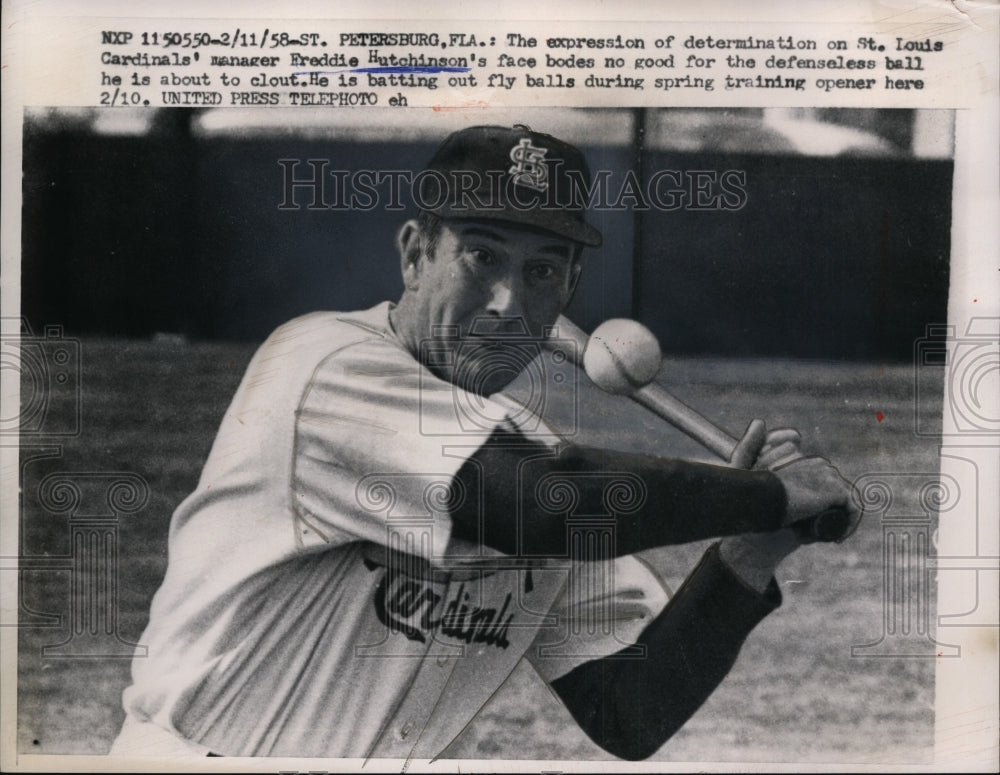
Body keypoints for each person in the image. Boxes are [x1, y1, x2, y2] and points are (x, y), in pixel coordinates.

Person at [111, 125, 860, 761]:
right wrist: (769, 493)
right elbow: (536, 502)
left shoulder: (526, 455)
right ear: (413, 254)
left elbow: (628, 704)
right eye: (482, 255)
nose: (508, 301)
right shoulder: (323, 364)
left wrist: (748, 548)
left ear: (568, 291)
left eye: (541, 272)